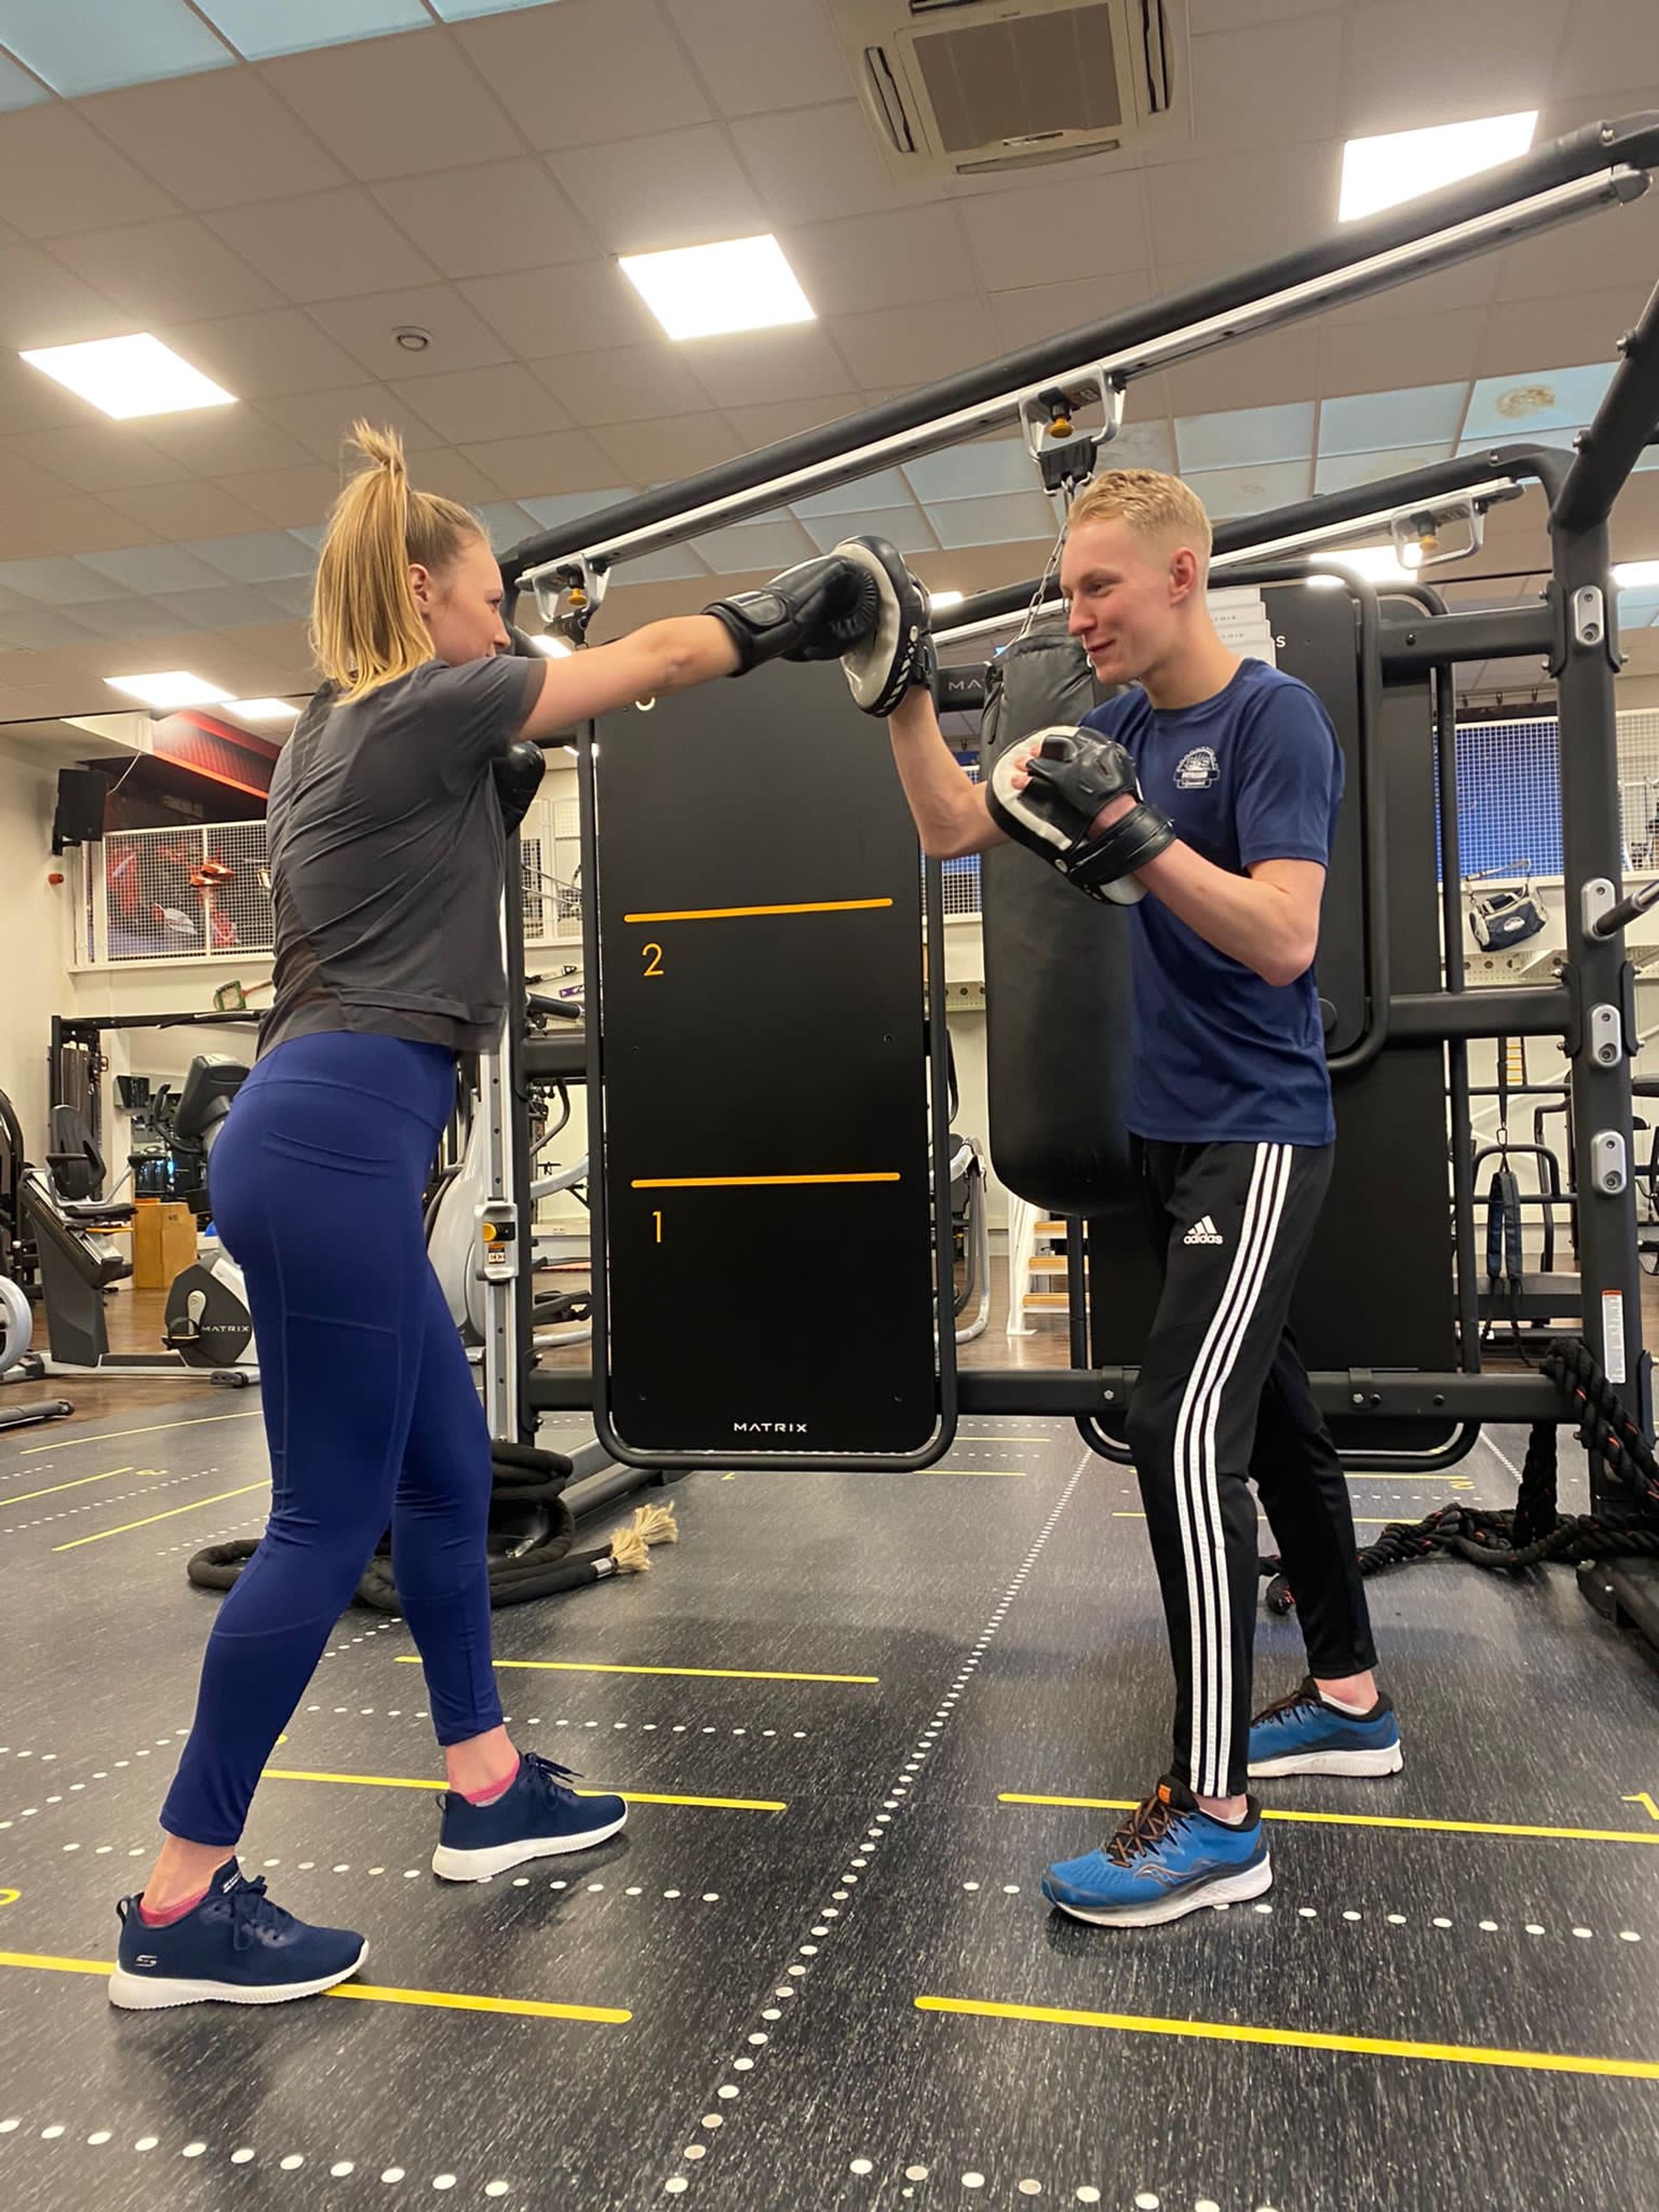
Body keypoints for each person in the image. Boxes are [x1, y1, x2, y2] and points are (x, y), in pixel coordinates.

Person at [111, 425, 882, 2009]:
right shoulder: (429, 697)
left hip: (320, 1133)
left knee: (449, 1471)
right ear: (424, 594)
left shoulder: (331, 735)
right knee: (330, 1524)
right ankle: (179, 1900)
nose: (509, 623)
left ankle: (486, 1793)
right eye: (496, 595)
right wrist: (803, 605)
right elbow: (658, 655)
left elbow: (424, 868)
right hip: (332, 1144)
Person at [861, 470, 1400, 1929]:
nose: (1078, 610)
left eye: (1102, 584)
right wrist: (901, 693)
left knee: (1179, 1431)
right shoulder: (1115, 730)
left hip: (1259, 1132)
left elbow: (1286, 940)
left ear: (1183, 574)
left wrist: (1145, 846)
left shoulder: (1268, 721)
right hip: (1169, 1134)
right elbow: (950, 834)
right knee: (1276, 1421)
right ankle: (1349, 1695)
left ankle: (1220, 1814)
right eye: (1069, 584)